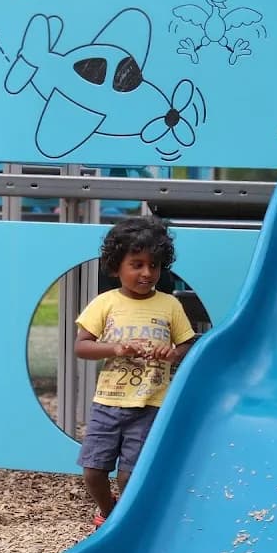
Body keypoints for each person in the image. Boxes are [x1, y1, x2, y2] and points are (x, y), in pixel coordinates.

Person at [74, 216, 196, 527]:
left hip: (149, 404)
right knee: (93, 470)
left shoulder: (169, 305)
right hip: (108, 403)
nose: (147, 273)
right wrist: (116, 348)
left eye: (153, 265)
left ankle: (124, 522)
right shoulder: (105, 303)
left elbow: (187, 345)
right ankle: (108, 509)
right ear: (117, 266)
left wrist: (172, 354)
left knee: (129, 474)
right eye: (137, 264)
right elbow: (82, 347)